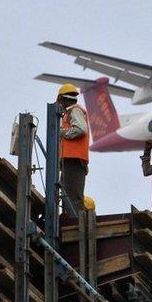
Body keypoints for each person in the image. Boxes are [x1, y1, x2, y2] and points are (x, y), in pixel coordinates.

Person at [57, 83, 89, 217]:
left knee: (72, 196)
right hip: (70, 160)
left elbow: (80, 129)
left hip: (73, 160)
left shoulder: (74, 110)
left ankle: (75, 223)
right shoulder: (69, 112)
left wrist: (62, 132)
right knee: (66, 194)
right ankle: (69, 219)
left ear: (63, 99)